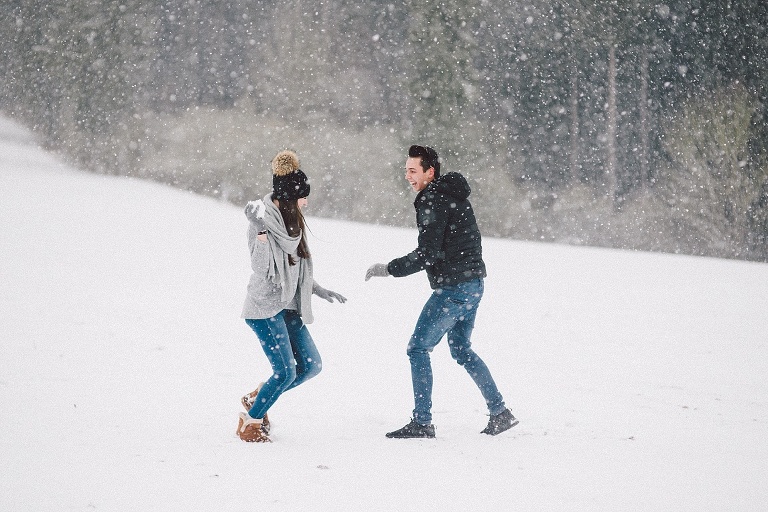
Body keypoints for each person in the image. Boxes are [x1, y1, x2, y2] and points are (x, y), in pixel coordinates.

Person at [365, 145, 518, 438]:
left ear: (429, 172)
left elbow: (428, 253)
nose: (408, 177)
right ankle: (500, 413)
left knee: (418, 348)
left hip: (454, 289)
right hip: (474, 285)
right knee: (461, 349)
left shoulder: (433, 200)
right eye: (406, 170)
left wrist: (389, 268)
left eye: (413, 171)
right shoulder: (454, 196)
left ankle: (422, 423)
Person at [238, 149, 346, 443]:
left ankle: (258, 397)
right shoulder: (262, 219)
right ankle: (250, 424)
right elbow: (261, 268)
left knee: (311, 366)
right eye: (302, 197)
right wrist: (259, 231)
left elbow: (295, 266)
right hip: (264, 309)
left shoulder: (293, 223)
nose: (306, 202)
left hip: (288, 306)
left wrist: (316, 288)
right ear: (288, 198)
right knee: (285, 371)